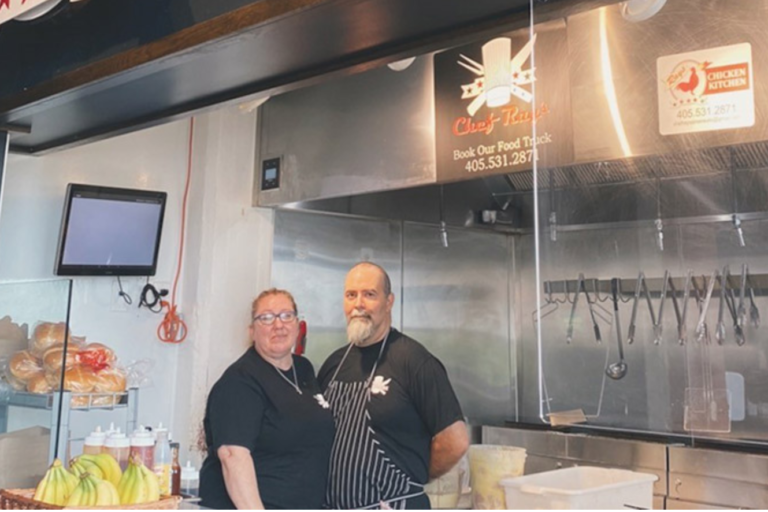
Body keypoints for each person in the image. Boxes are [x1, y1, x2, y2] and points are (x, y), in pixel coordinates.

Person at [318, 262, 470, 510]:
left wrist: (414, 475)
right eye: (351, 295)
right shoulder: (333, 364)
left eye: (369, 294)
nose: (358, 304)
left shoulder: (413, 360)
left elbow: (455, 440)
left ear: (389, 302)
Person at [200, 288, 335, 509]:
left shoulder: (304, 369)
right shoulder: (240, 381)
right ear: (252, 331)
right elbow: (233, 456)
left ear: (297, 324)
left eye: (286, 315)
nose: (278, 325)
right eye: (266, 318)